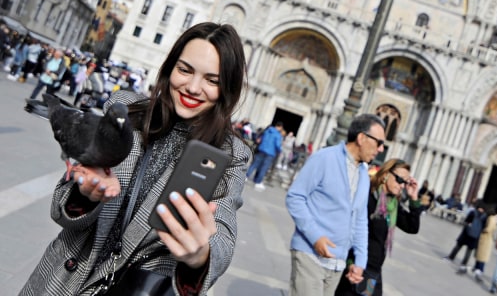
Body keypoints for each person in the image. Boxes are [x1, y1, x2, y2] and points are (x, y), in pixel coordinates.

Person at [20, 22, 251, 295]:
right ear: (169, 68)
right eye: (184, 70)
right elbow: (61, 208)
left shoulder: (231, 153)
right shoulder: (124, 109)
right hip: (60, 280)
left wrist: (200, 256)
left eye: (212, 80)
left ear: (227, 88)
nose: (193, 87)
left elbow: (223, 233)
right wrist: (84, 195)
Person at [286, 114, 386, 296]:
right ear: (361, 138)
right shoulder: (325, 158)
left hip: (337, 263)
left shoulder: (364, 174)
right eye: (379, 142)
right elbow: (295, 197)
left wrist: (360, 261)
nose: (380, 149)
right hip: (309, 254)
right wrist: (315, 237)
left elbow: (360, 220)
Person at [334, 158, 421, 296]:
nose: (402, 186)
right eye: (400, 180)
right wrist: (351, 263)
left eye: (405, 182)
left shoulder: (391, 205)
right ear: (386, 174)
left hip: (373, 272)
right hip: (356, 267)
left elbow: (412, 227)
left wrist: (414, 198)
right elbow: (350, 231)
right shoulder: (368, 197)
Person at [445, 200, 486, 273]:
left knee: (458, 246)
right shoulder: (484, 216)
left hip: (466, 233)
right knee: (469, 251)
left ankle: (451, 257)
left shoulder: (473, 212)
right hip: (475, 236)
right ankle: (463, 264)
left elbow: (466, 221)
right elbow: (484, 227)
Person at [246, 121, 284, 191]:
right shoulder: (278, 135)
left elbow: (262, 139)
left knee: (254, 164)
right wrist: (280, 151)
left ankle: (246, 176)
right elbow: (277, 145)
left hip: (262, 149)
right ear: (280, 127)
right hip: (270, 153)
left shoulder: (267, 131)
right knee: (264, 168)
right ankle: (258, 182)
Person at [472, 204, 497, 281]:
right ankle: (477, 267)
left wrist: (483, 230)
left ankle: (480, 269)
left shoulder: (491, 218)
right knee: (480, 254)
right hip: (484, 238)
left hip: (486, 238)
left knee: (483, 255)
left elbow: (489, 228)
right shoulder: (492, 217)